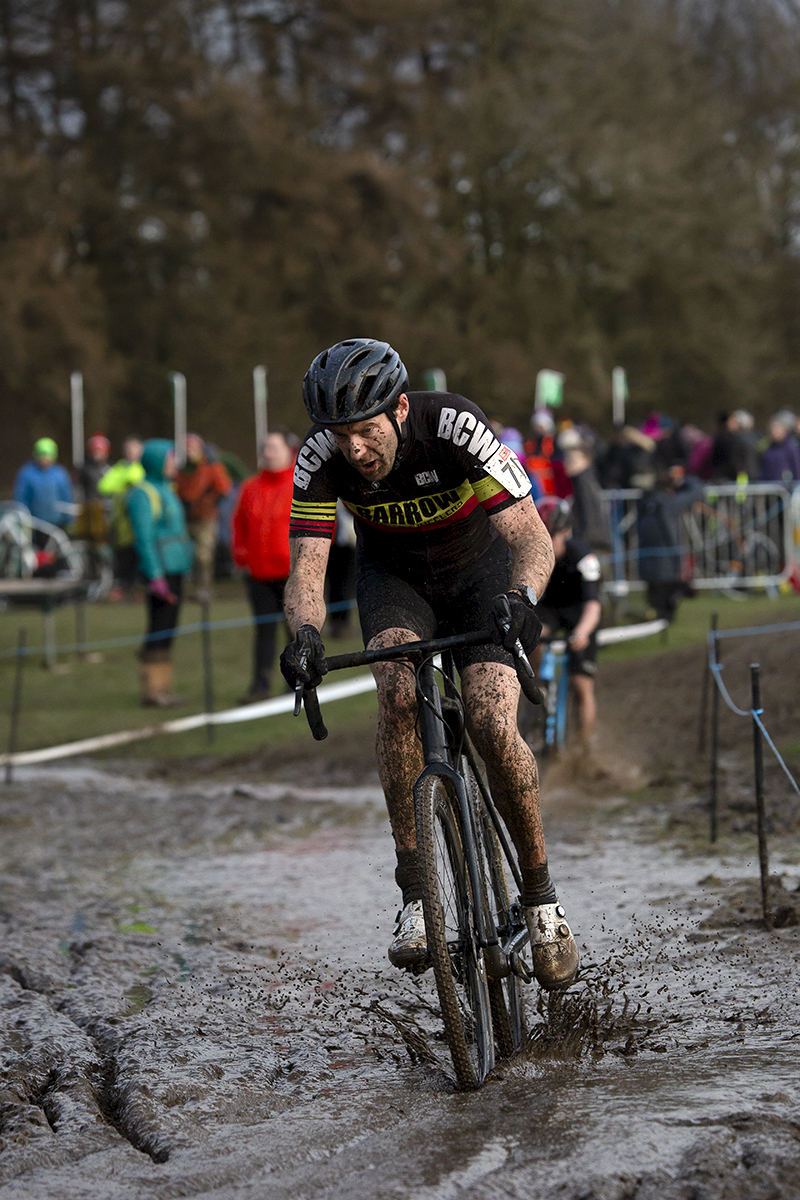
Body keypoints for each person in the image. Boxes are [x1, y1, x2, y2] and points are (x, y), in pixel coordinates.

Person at [279, 338, 579, 991]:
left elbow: (532, 537)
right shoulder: (317, 460)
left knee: (491, 721)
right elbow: (307, 565)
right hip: (396, 582)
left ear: (401, 409)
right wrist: (303, 634)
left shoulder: (455, 427)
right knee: (395, 691)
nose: (355, 450)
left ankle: (542, 898)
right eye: (340, 435)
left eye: (365, 431)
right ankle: (417, 895)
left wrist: (523, 599)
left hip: (483, 577)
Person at [127, 439, 194, 707]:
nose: (173, 464)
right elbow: (143, 537)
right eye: (168, 459)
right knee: (158, 628)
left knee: (169, 629)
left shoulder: (167, 489)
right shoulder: (142, 494)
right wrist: (154, 576)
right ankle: (153, 691)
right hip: (161, 572)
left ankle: (163, 688)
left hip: (175, 569)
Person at [231, 429, 296, 703]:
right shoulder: (250, 487)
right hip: (258, 574)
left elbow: (323, 525)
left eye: (274, 447)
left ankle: (298, 683)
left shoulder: (299, 483)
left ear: (287, 451)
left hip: (292, 573)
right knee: (264, 632)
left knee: (295, 631)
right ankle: (260, 684)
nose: (268, 453)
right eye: (265, 448)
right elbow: (238, 525)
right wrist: (242, 556)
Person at [533, 497, 602, 749]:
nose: (546, 546)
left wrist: (582, 633)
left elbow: (593, 605)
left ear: (565, 532)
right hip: (549, 610)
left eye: (550, 537)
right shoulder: (535, 557)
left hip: (579, 613)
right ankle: (536, 684)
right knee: (534, 635)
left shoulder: (583, 558)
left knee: (581, 684)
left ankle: (584, 747)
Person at [636, 465, 704, 623]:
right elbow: (697, 489)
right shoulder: (668, 503)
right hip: (666, 566)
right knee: (666, 605)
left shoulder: (644, 501)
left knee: (656, 601)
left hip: (647, 565)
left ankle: (658, 618)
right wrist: (682, 479)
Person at [175, 432, 232, 598]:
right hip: (187, 517)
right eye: (186, 447)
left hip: (206, 518)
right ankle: (189, 588)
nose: (189, 450)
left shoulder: (211, 467)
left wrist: (206, 502)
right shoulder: (182, 470)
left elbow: (223, 488)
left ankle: (204, 588)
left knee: (204, 555)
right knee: (186, 555)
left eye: (192, 447)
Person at [98, 437, 146, 597]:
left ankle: (139, 589)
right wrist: (126, 481)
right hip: (122, 522)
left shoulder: (146, 467)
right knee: (123, 556)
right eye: (129, 450)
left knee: (141, 555)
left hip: (141, 521)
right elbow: (104, 486)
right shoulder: (119, 468)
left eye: (135, 450)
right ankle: (124, 589)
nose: (131, 454)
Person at [13, 437, 74, 531]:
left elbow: (66, 496)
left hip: (57, 521)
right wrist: (22, 517)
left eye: (47, 455)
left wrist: (68, 518)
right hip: (34, 522)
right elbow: (21, 497)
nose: (44, 459)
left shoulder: (60, 473)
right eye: (41, 455)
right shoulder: (27, 473)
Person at [760, 413, 800, 485]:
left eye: (777, 429)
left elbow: (796, 468)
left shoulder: (791, 447)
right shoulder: (769, 448)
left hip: (788, 489)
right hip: (771, 489)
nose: (774, 432)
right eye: (772, 429)